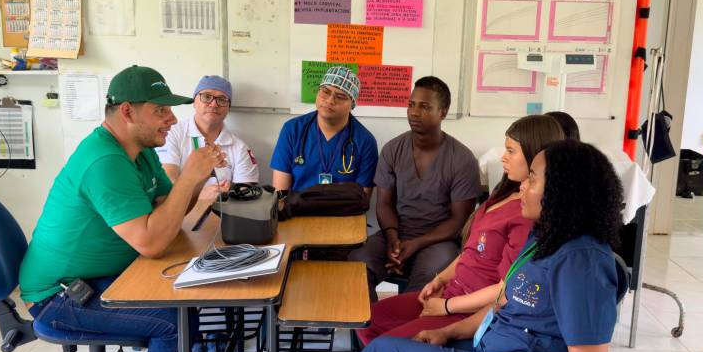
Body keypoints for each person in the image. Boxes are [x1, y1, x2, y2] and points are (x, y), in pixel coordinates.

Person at [264, 140, 625, 352]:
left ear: (564, 192)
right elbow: (503, 303)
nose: (523, 188)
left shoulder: (582, 262)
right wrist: (447, 331)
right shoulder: (546, 239)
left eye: (532, 179)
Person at [18, 65, 226, 352]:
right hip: (58, 295)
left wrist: (200, 177)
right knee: (171, 322)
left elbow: (168, 212)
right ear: (127, 111)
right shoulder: (104, 161)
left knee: (187, 298)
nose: (172, 119)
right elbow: (153, 242)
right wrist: (188, 178)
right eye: (161, 110)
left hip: (99, 275)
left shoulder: (139, 153)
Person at [356, 115, 564, 346]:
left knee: (386, 347)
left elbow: (504, 290)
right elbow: (471, 251)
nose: (503, 157)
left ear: (535, 156)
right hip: (450, 294)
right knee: (367, 321)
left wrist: (446, 307)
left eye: (511, 151)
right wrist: (440, 280)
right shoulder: (504, 194)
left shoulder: (526, 214)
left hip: (465, 310)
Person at [349, 77, 482, 300]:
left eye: (425, 106)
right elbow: (384, 204)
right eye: (411, 104)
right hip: (397, 233)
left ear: (443, 112)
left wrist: (415, 244)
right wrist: (393, 239)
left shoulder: (462, 159)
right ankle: (370, 331)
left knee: (428, 278)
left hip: (439, 240)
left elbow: (459, 221)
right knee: (356, 264)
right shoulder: (393, 149)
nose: (414, 112)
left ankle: (408, 333)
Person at [270, 66, 378, 195]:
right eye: (325, 92)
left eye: (340, 96)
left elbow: (362, 199)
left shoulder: (365, 141)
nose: (330, 100)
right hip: (297, 211)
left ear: (352, 105)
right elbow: (280, 194)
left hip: (345, 213)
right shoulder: (293, 130)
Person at [157, 75, 258, 201]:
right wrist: (198, 194)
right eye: (206, 97)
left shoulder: (240, 148)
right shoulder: (171, 133)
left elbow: (245, 195)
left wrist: (228, 193)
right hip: (179, 216)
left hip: (222, 215)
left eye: (222, 99)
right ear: (194, 102)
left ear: (228, 108)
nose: (214, 104)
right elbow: (167, 183)